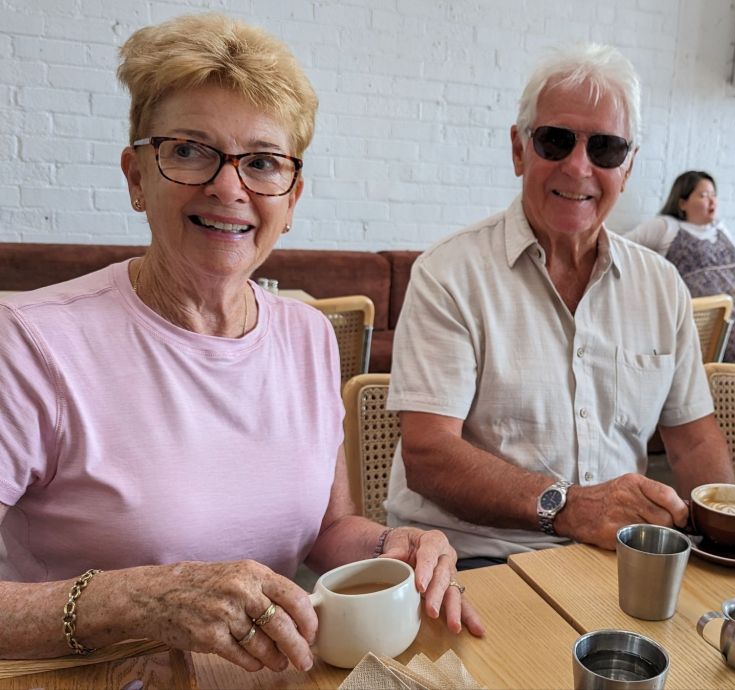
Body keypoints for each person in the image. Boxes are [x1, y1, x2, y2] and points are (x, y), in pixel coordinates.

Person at [0, 13, 482, 671]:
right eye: (189, 150)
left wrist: (393, 547)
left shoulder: (308, 335)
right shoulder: (31, 343)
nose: (228, 187)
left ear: (292, 198)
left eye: (261, 163)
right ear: (136, 176)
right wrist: (135, 599)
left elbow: (327, 528)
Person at [384, 44, 735, 567]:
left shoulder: (662, 285)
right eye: (555, 140)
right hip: (474, 560)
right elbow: (429, 455)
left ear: (628, 167)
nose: (578, 167)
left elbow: (693, 444)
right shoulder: (449, 274)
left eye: (606, 149)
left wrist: (730, 542)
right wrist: (571, 508)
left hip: (614, 560)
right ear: (519, 150)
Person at [625, 172, 735, 363]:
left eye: (714, 195)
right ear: (682, 203)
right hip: (713, 313)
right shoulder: (667, 226)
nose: (712, 201)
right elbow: (622, 247)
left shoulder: (719, 228)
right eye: (704, 196)